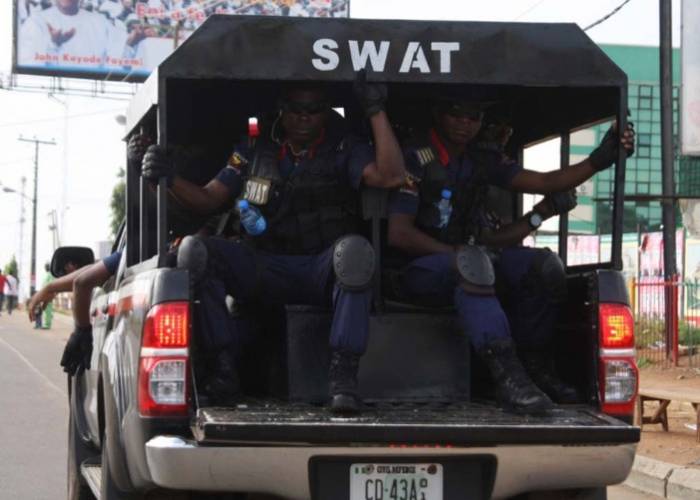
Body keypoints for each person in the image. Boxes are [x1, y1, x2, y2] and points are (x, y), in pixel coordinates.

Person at [140, 75, 405, 412]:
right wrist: (167, 176)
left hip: (318, 267)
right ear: (282, 110)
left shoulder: (344, 147)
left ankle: (343, 380)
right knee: (195, 249)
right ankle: (223, 371)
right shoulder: (252, 150)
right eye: (296, 109)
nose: (304, 117)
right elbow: (208, 199)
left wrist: (375, 110)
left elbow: (391, 176)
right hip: (265, 265)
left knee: (355, 253)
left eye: (314, 109)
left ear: (326, 113)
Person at [387, 96, 634, 414]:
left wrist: (599, 160)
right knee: (473, 264)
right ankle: (508, 379)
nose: (465, 124)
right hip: (417, 270)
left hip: (470, 265)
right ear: (438, 114)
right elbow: (399, 233)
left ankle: (535, 369)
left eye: (473, 116)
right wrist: (457, 253)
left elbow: (546, 182)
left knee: (543, 267)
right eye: (456, 114)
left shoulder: (479, 159)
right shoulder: (415, 157)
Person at [17, 0, 145, 70]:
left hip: (95, 100)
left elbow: (117, 68)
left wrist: (130, 44)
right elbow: (29, 66)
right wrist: (53, 44)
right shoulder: (36, 22)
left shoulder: (100, 22)